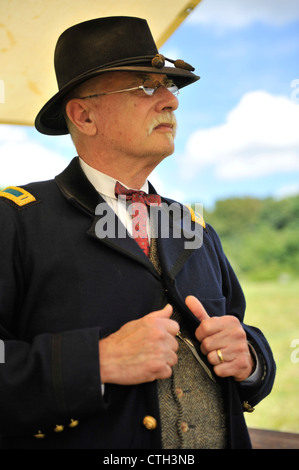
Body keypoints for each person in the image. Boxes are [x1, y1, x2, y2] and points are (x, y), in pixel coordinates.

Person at [0, 16, 275, 449]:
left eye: (170, 87)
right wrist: (96, 362)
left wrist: (252, 359)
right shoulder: (13, 221)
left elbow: (240, 332)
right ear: (84, 115)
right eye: (146, 86)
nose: (171, 101)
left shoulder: (192, 226)